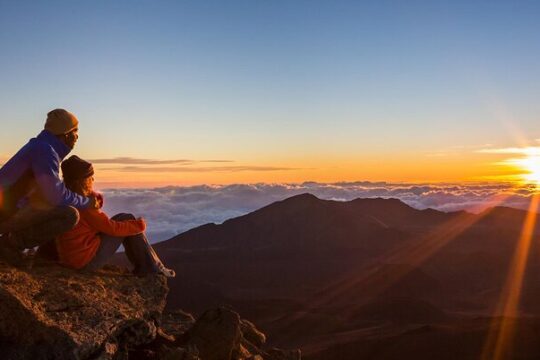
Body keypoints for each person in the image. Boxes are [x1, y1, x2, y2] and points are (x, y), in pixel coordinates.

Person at [0, 109, 101, 264]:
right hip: (5, 213)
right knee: (68, 214)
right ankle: (9, 246)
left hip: (8, 209)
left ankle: (12, 244)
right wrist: (87, 202)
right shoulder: (45, 151)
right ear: (66, 134)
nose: (77, 137)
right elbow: (55, 195)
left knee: (50, 205)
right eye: (76, 131)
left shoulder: (40, 147)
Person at [56, 155, 175, 277]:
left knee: (125, 218)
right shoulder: (85, 205)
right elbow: (112, 228)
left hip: (72, 258)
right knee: (129, 222)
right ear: (82, 181)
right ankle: (152, 268)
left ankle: (151, 266)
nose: (93, 179)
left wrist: (94, 198)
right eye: (90, 177)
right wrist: (139, 225)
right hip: (85, 262)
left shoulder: (67, 199)